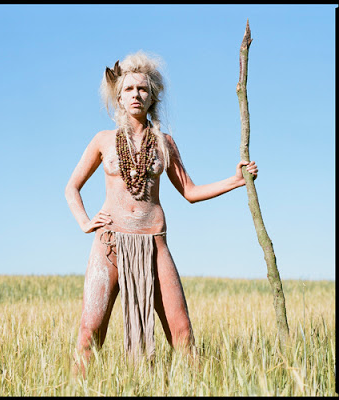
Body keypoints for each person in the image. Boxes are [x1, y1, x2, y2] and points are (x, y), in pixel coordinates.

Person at [65, 51, 258, 372]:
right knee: (89, 332)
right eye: (128, 89)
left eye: (142, 89)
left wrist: (235, 180)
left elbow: (190, 192)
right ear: (118, 97)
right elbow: (71, 187)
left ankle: (198, 388)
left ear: (153, 96)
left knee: (182, 332)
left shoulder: (164, 143)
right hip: (109, 244)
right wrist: (85, 222)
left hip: (154, 244)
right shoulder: (103, 140)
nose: (136, 94)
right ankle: (75, 390)